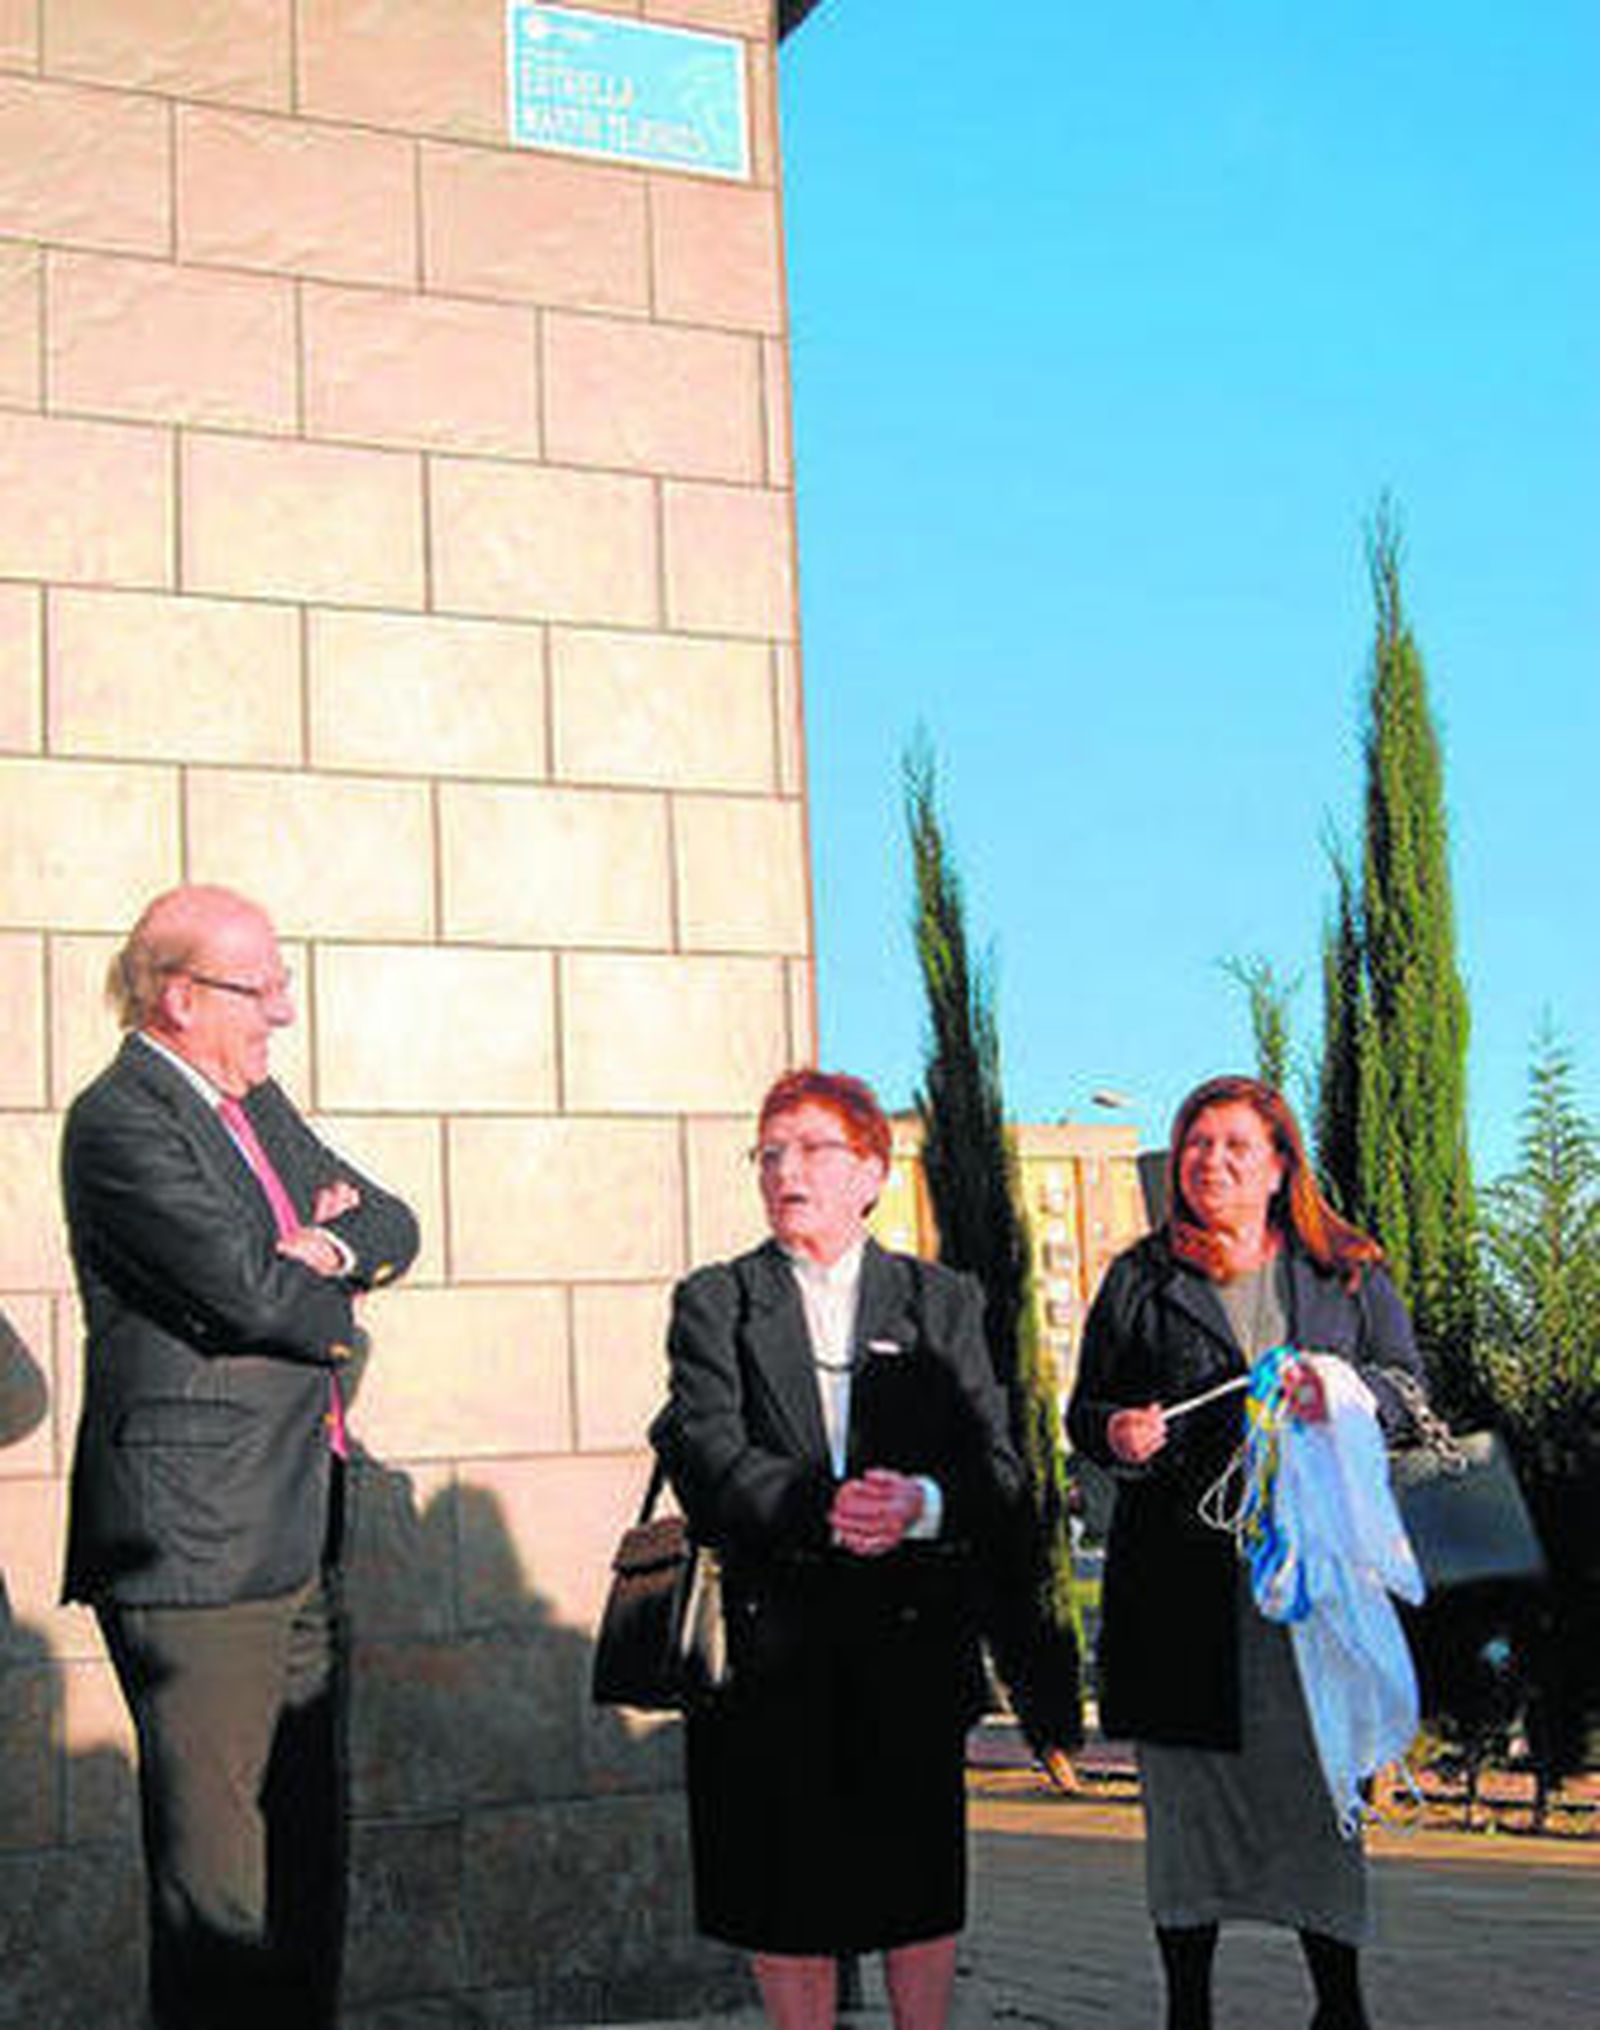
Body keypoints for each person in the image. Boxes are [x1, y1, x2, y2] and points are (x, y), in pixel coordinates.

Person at [651, 1068, 1080, 2030]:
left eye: (810, 1149)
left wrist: (920, 1503)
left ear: (872, 1174)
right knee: (785, 1891)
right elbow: (707, 1452)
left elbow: (999, 1468)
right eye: (768, 1152)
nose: (784, 1171)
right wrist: (822, 1504)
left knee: (915, 1883)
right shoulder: (716, 1302)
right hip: (768, 1648)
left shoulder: (941, 1301)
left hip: (910, 1644)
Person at [60, 884, 420, 2030]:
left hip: (300, 1523)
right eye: (261, 985)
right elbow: (245, 1293)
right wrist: (317, 1274)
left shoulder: (255, 1106)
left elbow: (394, 1220)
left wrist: (323, 1243)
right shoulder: (122, 1120)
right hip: (198, 1545)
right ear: (180, 996)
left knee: (307, 1853)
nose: (284, 1009)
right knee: (219, 1882)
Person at [1066, 1074, 1425, 2030]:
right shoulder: (1143, 1278)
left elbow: (1405, 1389)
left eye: (1234, 1146)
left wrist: (1341, 1394)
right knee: (1189, 1821)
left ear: (1278, 1166)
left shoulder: (1345, 1272)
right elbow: (1084, 1412)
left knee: (1316, 1798)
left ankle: (1338, 2008)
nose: (1210, 1161)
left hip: (1311, 1594)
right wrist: (1117, 1434)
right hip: (1182, 1594)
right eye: (1195, 1144)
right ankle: (1189, 2010)